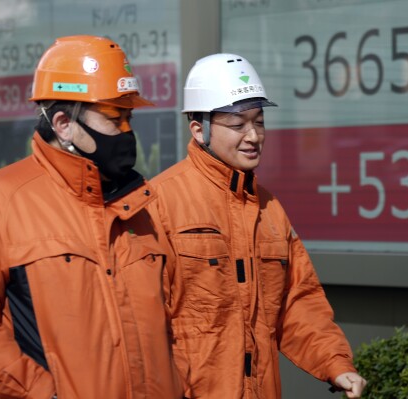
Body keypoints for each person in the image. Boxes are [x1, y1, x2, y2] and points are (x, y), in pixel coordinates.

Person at [0, 35, 183, 398]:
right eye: (113, 117)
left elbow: (180, 320)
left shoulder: (140, 205)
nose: (127, 131)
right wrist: (41, 393)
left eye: (129, 117)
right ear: (62, 123)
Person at [152, 53, 366, 398]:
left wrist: (336, 364)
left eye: (259, 121)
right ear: (199, 129)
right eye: (238, 125)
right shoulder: (159, 203)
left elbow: (297, 300)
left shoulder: (269, 209)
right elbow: (143, 325)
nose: (253, 135)